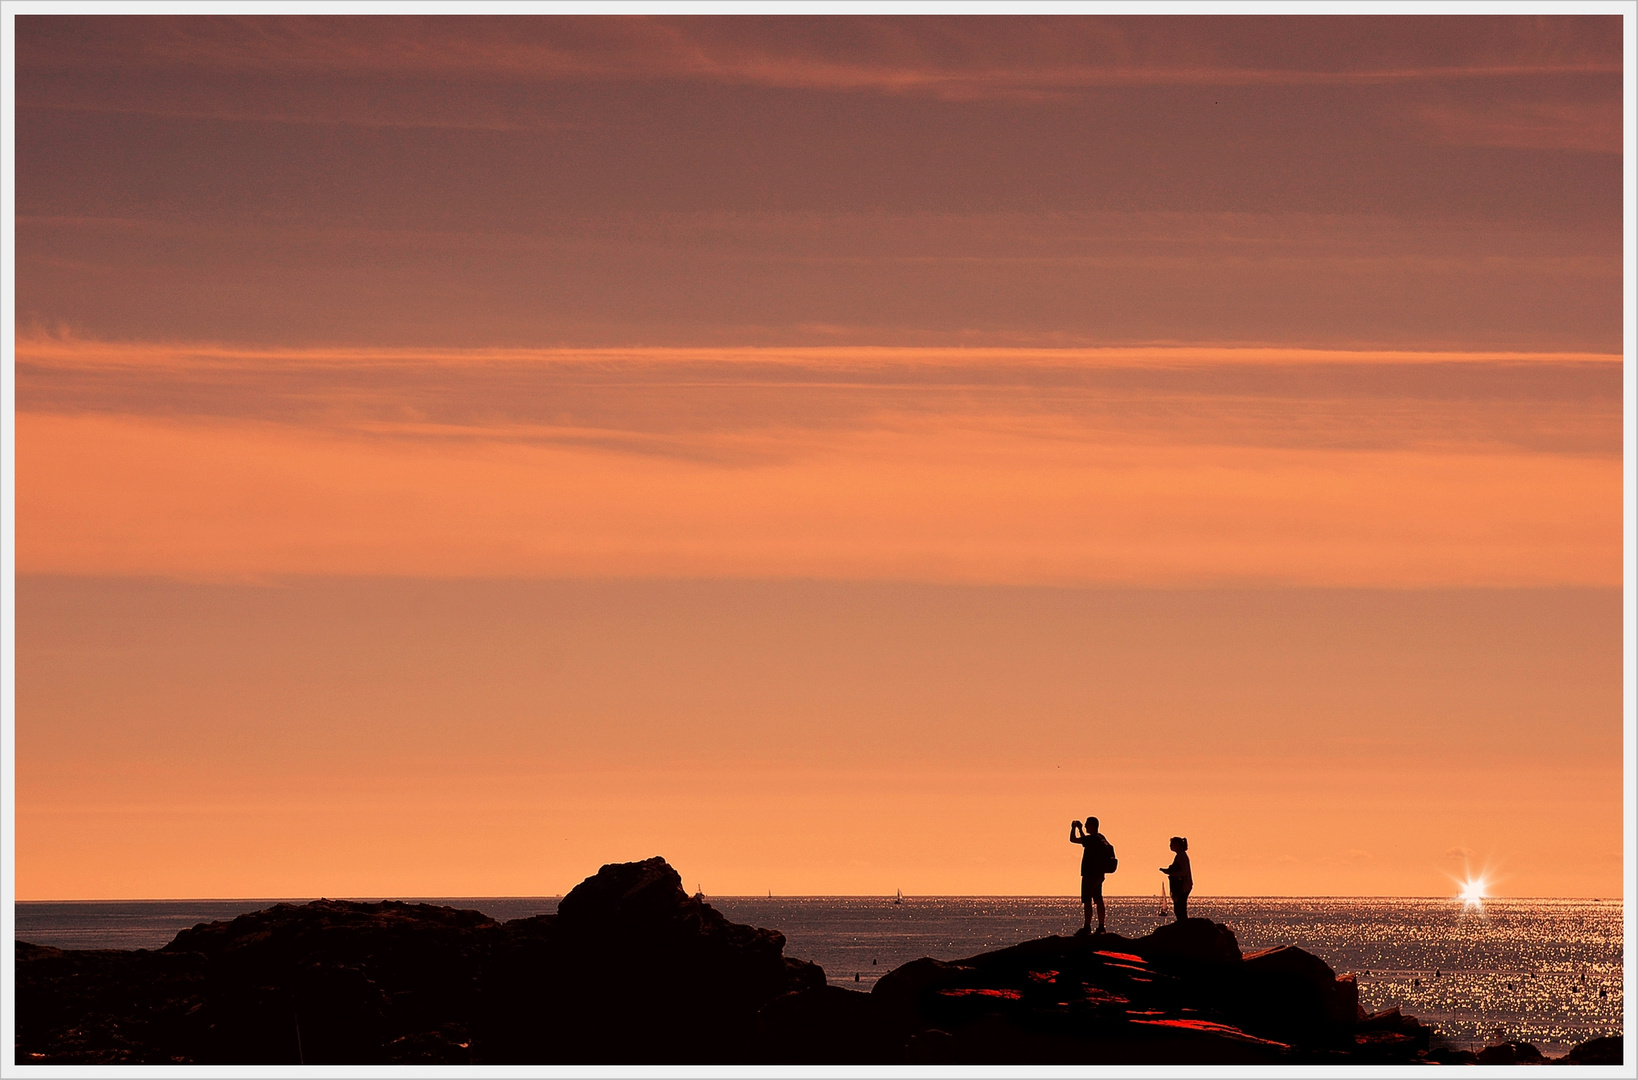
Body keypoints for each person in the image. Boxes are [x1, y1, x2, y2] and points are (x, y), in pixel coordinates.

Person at [1069, 816, 1116, 934]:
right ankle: (1101, 926)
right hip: (1099, 874)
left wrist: (1074, 827)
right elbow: (1085, 841)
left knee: (1087, 900)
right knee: (1098, 899)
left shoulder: (1092, 839)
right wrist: (1081, 830)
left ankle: (1087, 926)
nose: (1085, 826)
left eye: (1086, 825)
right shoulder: (1101, 838)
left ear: (1092, 825)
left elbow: (1073, 839)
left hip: (1089, 874)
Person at [1160, 836, 1192, 921]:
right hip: (1182, 886)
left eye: (1172, 844)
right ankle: (1181, 923)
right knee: (1178, 907)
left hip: (1183, 887)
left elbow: (1183, 872)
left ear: (1177, 845)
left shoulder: (1182, 856)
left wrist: (1170, 872)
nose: (1170, 846)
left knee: (1179, 908)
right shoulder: (1179, 856)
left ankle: (1182, 924)